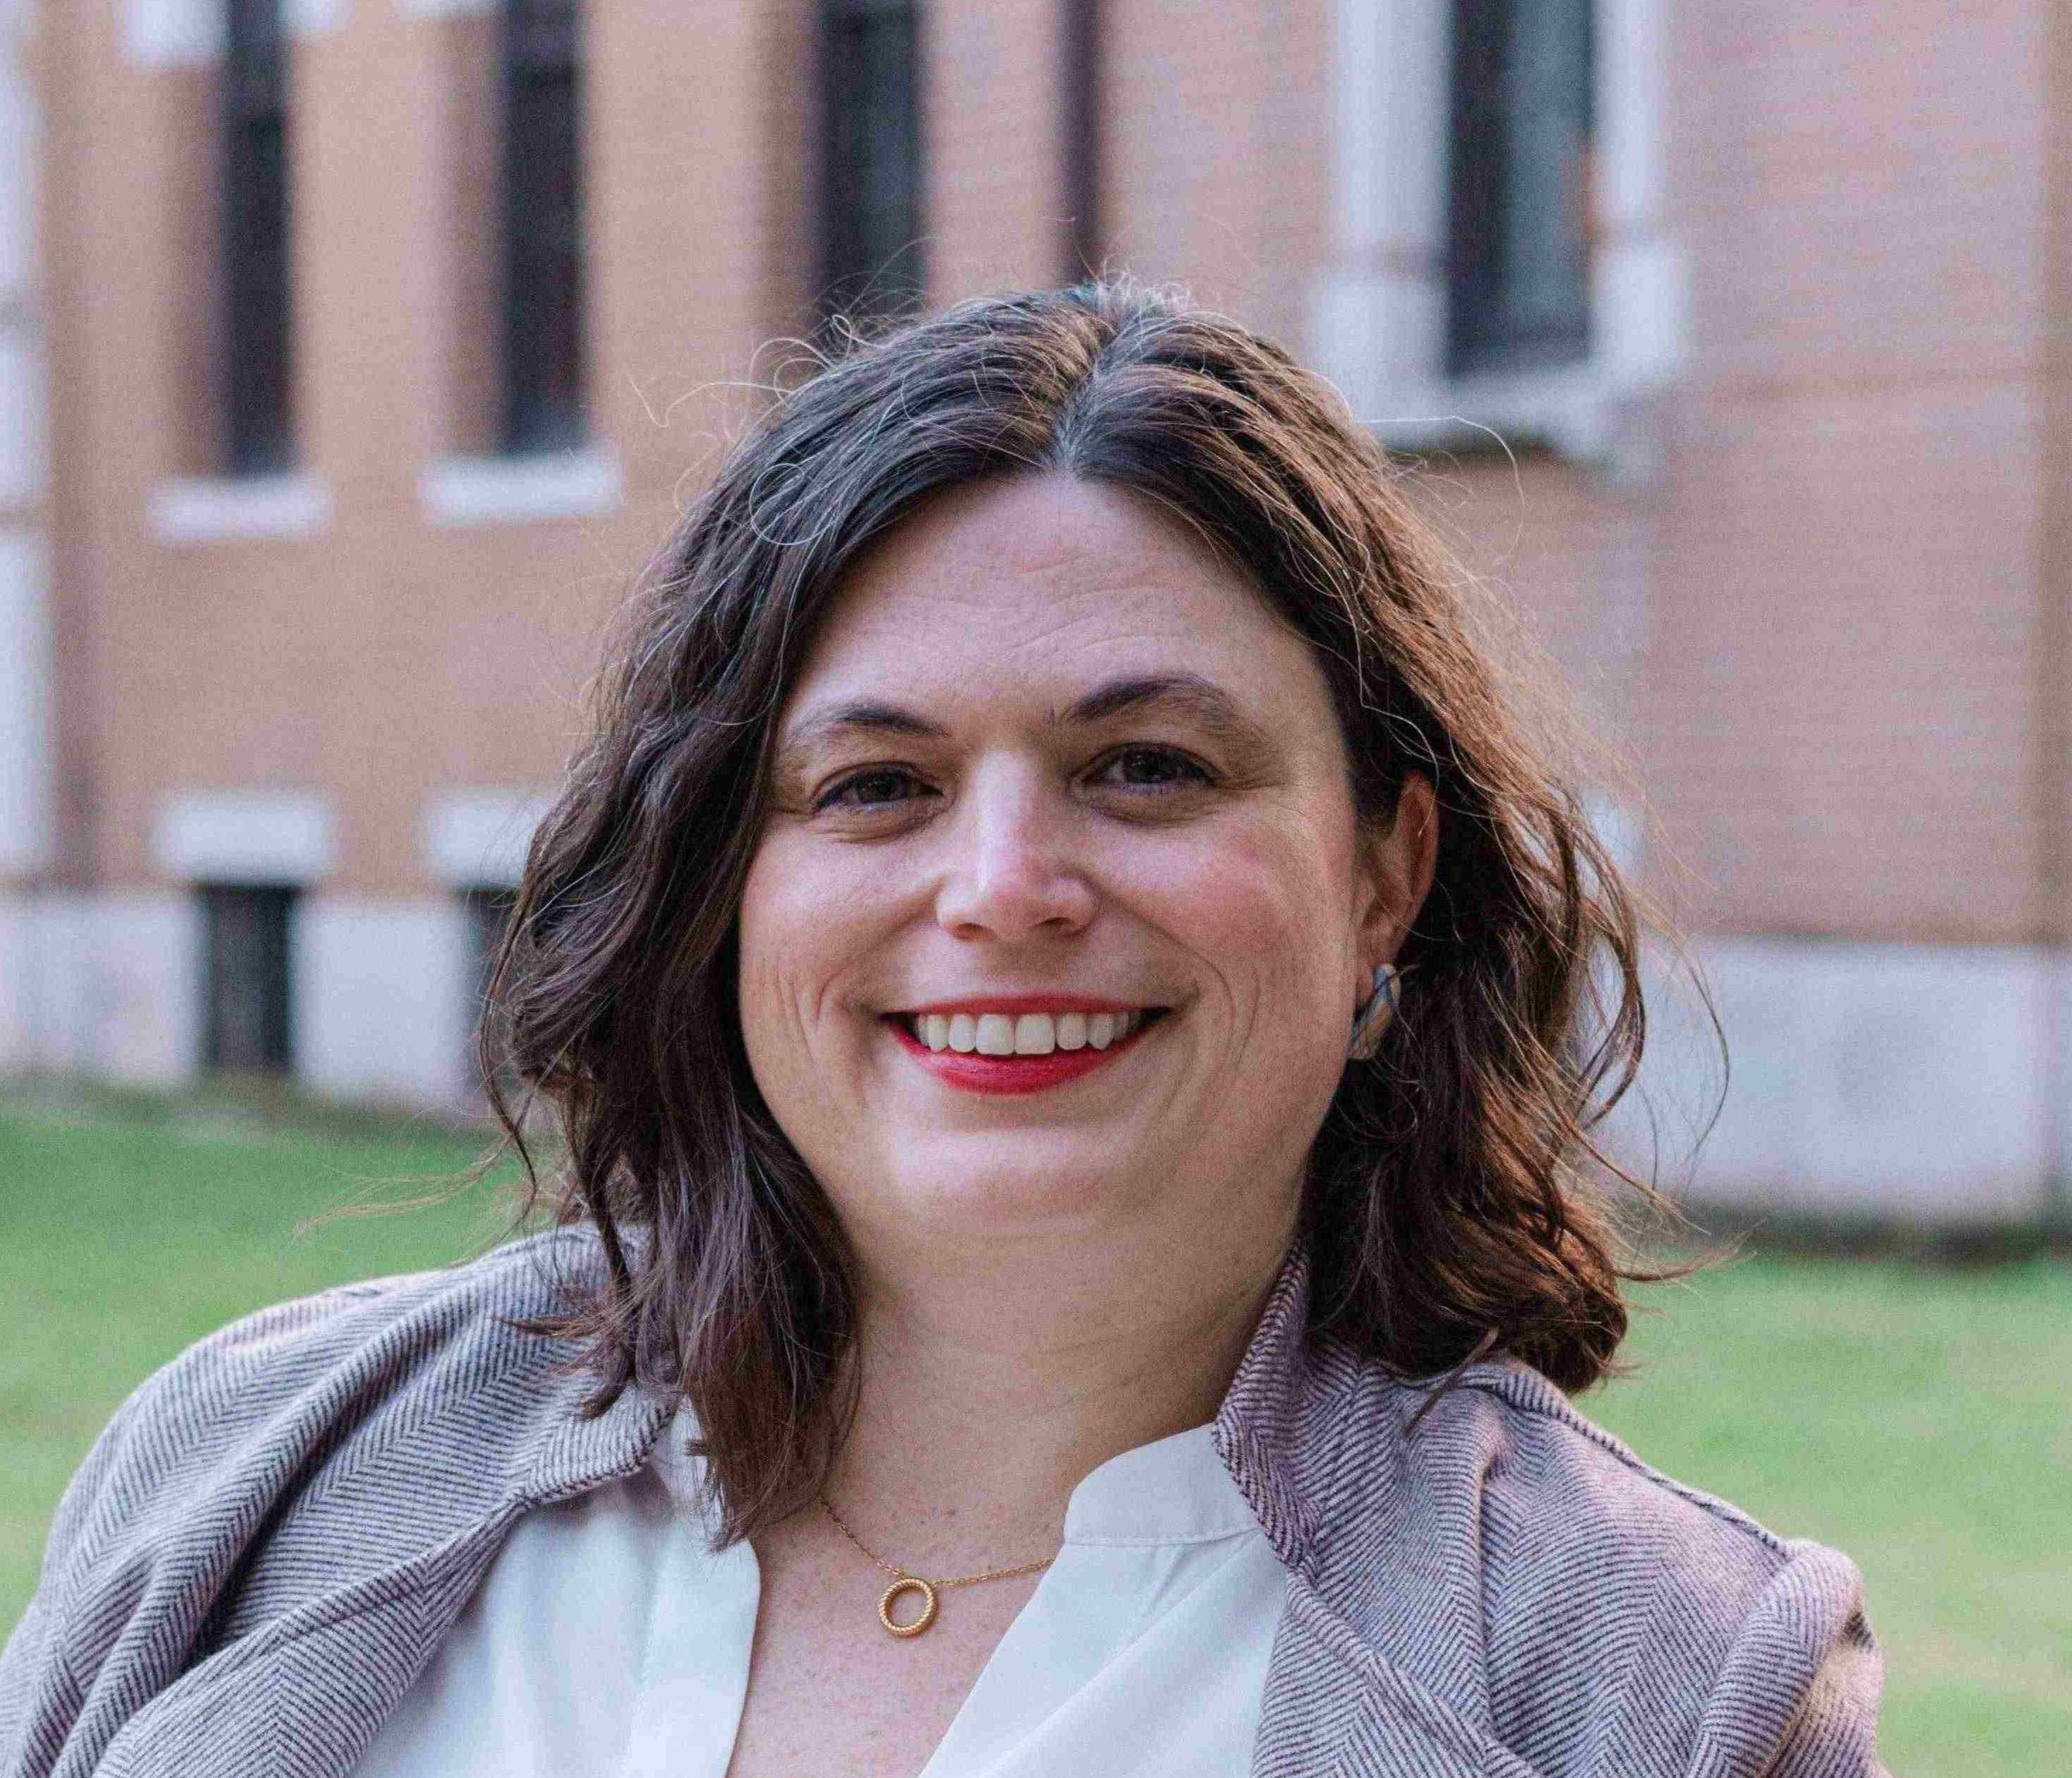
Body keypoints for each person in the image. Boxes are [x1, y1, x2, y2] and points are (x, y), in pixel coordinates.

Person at [0, 280, 1887, 1777]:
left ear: (1387, 874)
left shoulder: (1659, 1690)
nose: (1003, 887)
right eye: (877, 785)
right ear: (721, 882)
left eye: (1147, 766)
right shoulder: (253, 1474)